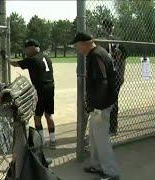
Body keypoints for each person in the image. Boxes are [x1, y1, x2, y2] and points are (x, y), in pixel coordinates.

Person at [72, 32, 120, 180]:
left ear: (84, 43)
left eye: (77, 45)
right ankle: (97, 165)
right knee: (94, 137)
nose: (78, 49)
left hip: (101, 105)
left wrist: (98, 107)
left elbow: (102, 82)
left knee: (101, 139)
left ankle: (111, 173)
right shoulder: (97, 52)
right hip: (99, 104)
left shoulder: (95, 55)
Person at [10, 39, 56, 149]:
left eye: (26, 48)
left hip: (40, 89)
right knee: (48, 115)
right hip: (50, 87)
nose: (25, 51)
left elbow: (16, 64)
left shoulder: (32, 59)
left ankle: (41, 141)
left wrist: (6, 59)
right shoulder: (46, 57)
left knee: (37, 116)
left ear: (32, 48)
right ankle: (53, 140)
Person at [101, 19, 127, 135]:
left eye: (108, 27)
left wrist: (121, 75)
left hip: (113, 76)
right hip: (107, 76)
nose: (108, 30)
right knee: (106, 102)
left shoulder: (115, 42)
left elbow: (124, 57)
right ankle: (108, 127)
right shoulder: (102, 42)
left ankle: (112, 128)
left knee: (112, 102)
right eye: (107, 27)